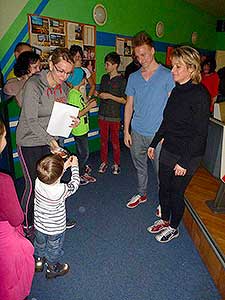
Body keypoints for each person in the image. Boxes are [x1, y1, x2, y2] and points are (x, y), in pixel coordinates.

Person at [147, 46, 210, 243]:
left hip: (189, 154)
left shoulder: (200, 95)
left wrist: (183, 162)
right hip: (170, 147)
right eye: (173, 66)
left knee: (176, 192)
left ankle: (174, 228)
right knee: (163, 188)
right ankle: (165, 220)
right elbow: (167, 121)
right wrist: (154, 142)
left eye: (178, 67)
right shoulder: (176, 91)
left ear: (192, 69)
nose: (172, 70)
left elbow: (200, 134)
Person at [16, 48, 79, 236]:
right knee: (34, 184)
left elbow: (62, 115)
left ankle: (53, 216)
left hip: (51, 141)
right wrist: (51, 141)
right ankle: (26, 224)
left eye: (68, 72)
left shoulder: (65, 87)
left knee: (54, 182)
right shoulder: (34, 85)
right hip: (29, 140)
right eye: (60, 70)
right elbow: (31, 121)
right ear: (51, 64)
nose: (64, 75)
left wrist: (71, 121)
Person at [124, 31, 174, 209]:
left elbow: (172, 109)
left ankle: (163, 201)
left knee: (162, 171)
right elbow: (129, 105)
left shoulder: (168, 75)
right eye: (137, 56)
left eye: (143, 54)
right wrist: (126, 131)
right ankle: (142, 193)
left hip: (158, 134)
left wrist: (166, 134)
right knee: (140, 166)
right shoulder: (133, 77)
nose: (141, 59)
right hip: (137, 132)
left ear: (152, 51)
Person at [0, 119, 34, 300]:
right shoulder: (3, 181)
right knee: (12, 276)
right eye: (4, 135)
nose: (6, 139)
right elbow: (16, 218)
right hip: (5, 237)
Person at [34, 153, 80, 279]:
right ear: (59, 175)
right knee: (54, 248)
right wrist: (75, 167)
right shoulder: (61, 190)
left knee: (39, 243)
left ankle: (38, 261)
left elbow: (52, 176)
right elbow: (75, 184)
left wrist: (64, 166)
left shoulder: (38, 181)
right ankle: (52, 268)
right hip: (55, 228)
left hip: (39, 224)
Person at [97, 52, 126, 175]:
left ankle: (116, 164)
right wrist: (98, 95)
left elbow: (124, 100)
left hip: (114, 117)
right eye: (105, 64)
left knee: (115, 142)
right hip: (102, 115)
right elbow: (101, 93)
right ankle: (103, 162)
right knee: (103, 141)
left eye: (107, 64)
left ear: (115, 65)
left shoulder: (122, 81)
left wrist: (109, 96)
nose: (105, 66)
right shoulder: (104, 78)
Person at [68, 67, 97, 185]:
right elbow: (76, 114)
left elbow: (80, 107)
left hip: (82, 128)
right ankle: (78, 175)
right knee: (84, 153)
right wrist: (89, 107)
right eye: (84, 78)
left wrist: (88, 104)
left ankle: (81, 170)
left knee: (82, 152)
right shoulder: (74, 94)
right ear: (79, 80)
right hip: (79, 130)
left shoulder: (76, 93)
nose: (85, 81)